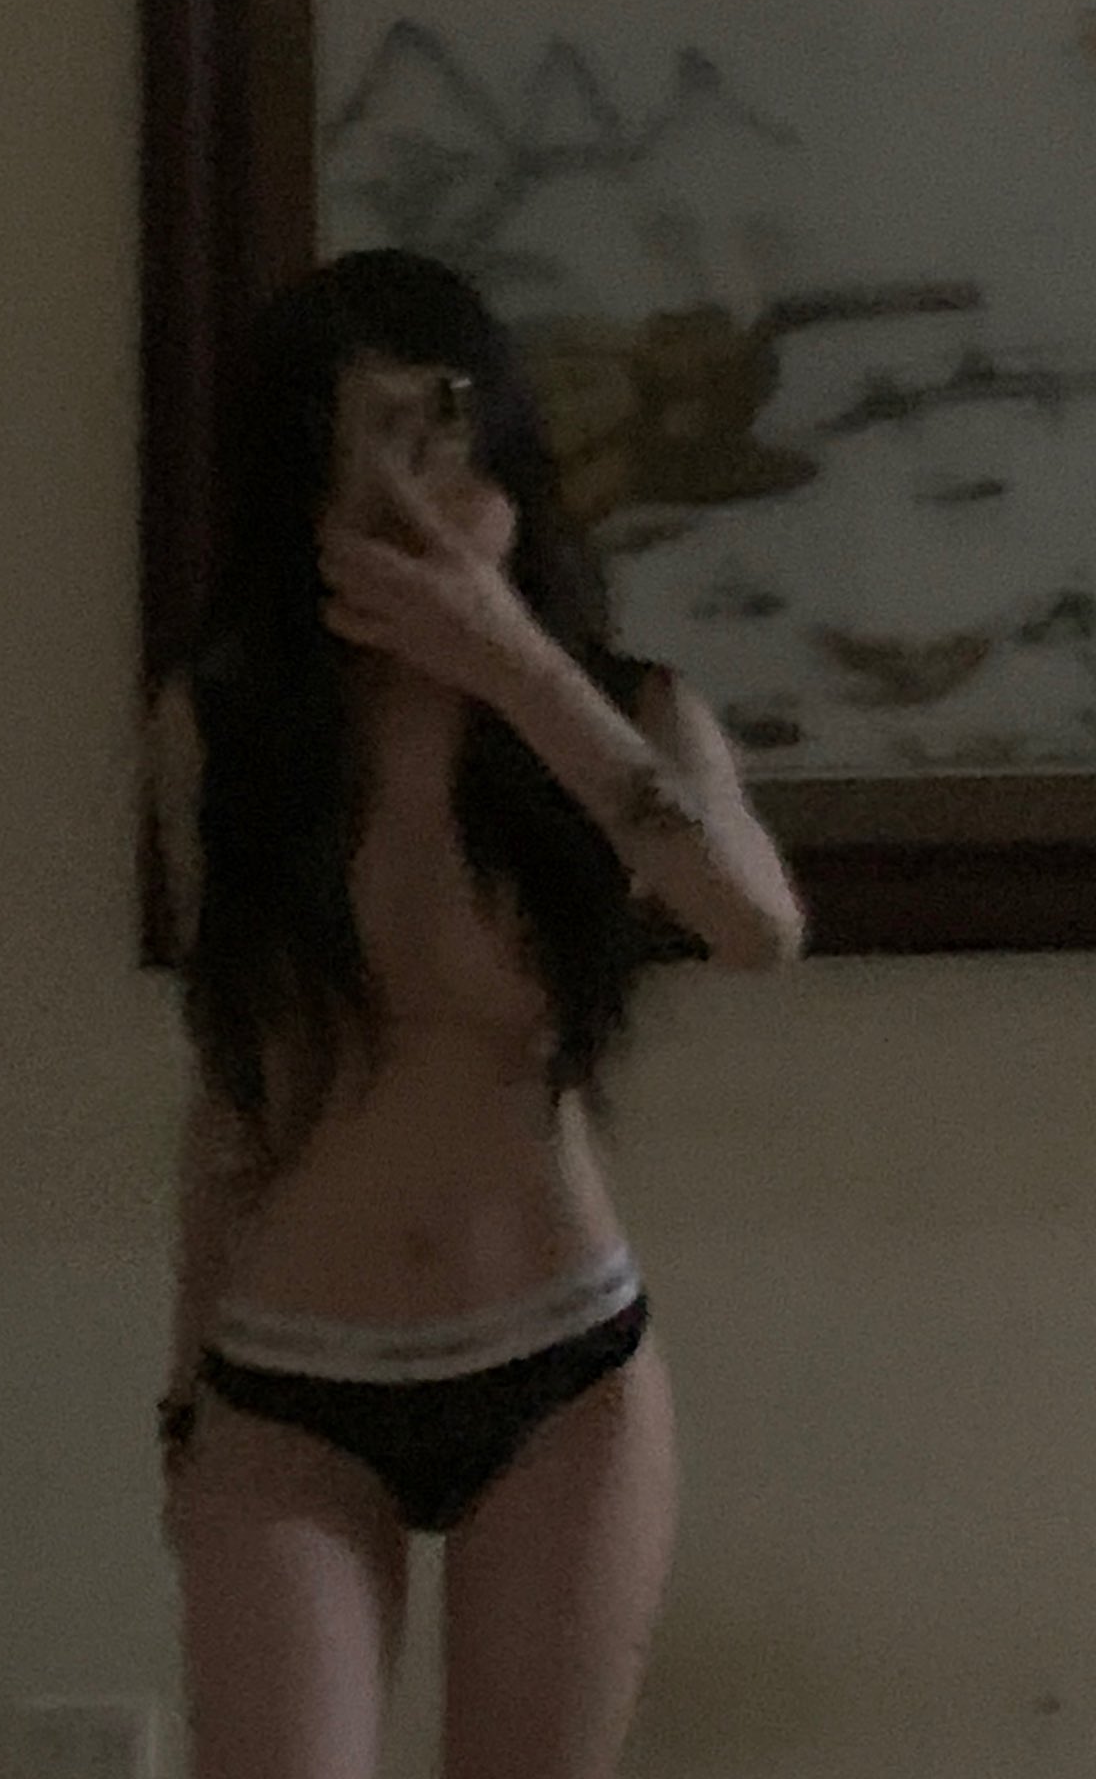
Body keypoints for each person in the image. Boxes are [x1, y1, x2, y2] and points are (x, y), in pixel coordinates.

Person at [148, 249, 805, 1779]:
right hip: (290, 1374)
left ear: (501, 444)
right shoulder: (225, 731)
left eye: (435, 433)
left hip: (561, 1367)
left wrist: (510, 662)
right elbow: (237, 1084)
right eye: (359, 449)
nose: (408, 499)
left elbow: (755, 924)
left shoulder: (619, 718)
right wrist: (182, 1394)